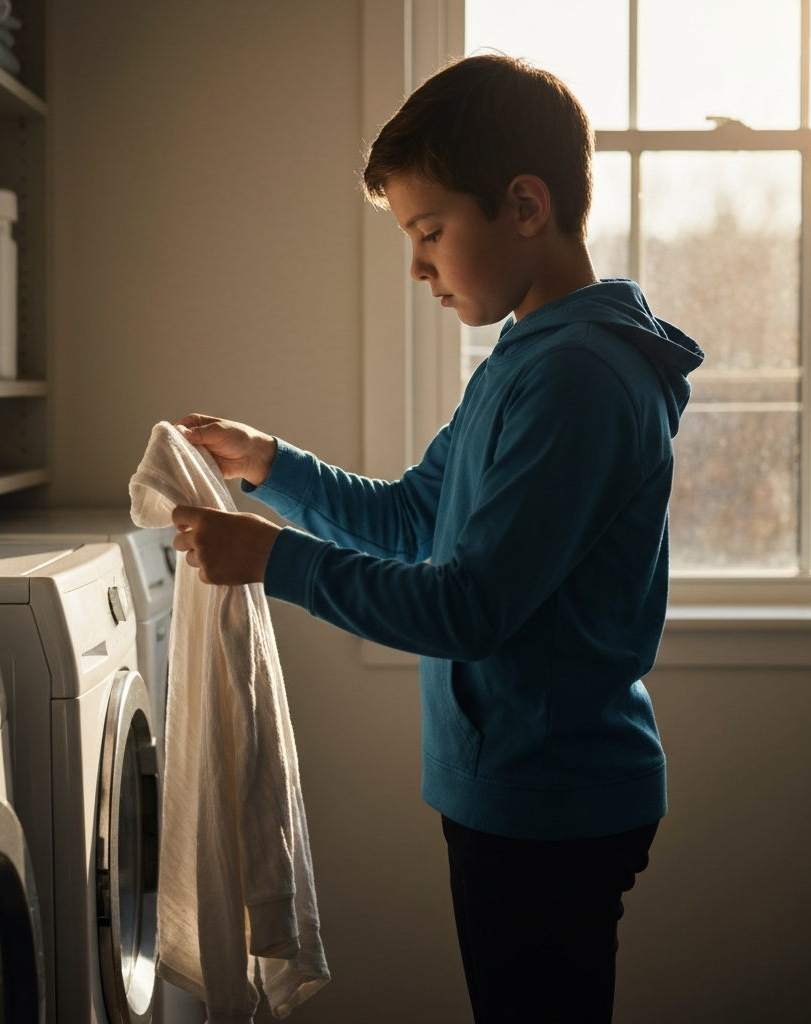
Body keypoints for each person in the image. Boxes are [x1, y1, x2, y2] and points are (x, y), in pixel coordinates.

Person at [169, 54, 703, 1024]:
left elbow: (467, 606)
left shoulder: (578, 379)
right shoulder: (526, 358)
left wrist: (270, 559)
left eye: (429, 231)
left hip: (549, 802)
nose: (415, 266)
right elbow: (415, 516)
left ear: (525, 206)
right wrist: (270, 465)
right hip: (512, 789)